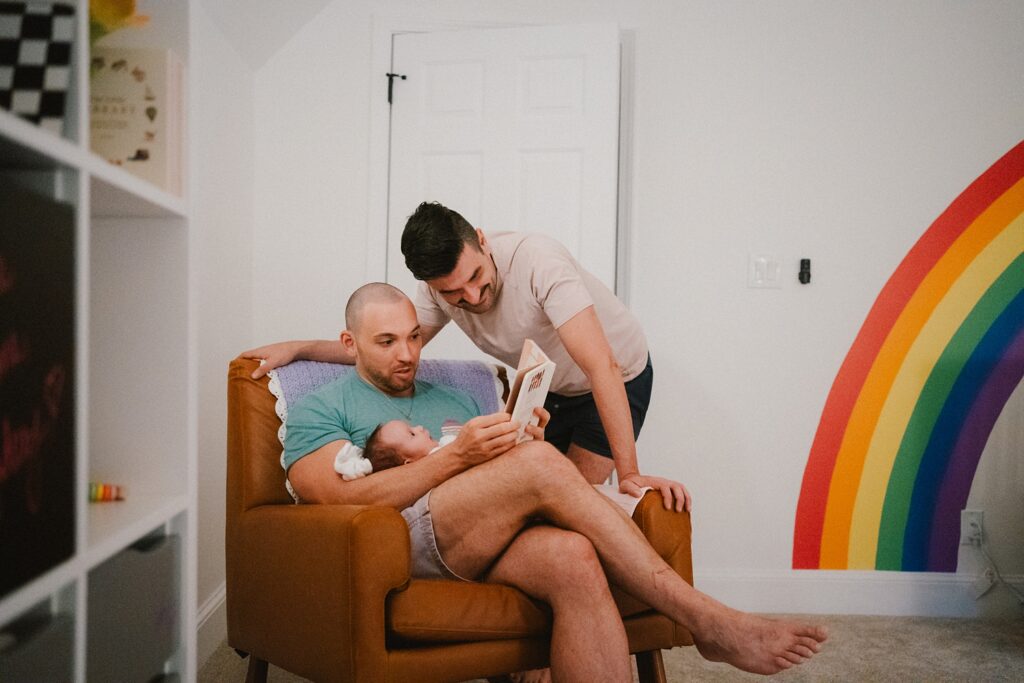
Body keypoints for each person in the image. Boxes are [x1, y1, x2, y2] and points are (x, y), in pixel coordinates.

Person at [281, 282, 827, 681]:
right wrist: (462, 459)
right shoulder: (322, 405)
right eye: (386, 342)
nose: (407, 355)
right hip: (401, 541)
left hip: (483, 532)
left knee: (573, 560)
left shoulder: (456, 396)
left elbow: (508, 480)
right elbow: (333, 496)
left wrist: (527, 438)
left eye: (414, 336)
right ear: (348, 344)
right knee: (540, 468)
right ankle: (707, 619)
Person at [246, 201, 690, 512]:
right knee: (541, 498)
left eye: (476, 276)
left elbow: (601, 366)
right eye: (453, 292)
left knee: (575, 497)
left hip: (616, 376)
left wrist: (630, 474)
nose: (473, 297)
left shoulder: (539, 263)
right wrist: (298, 348)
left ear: (481, 240)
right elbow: (381, 345)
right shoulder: (438, 293)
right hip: (552, 385)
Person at [363, 418, 460, 472]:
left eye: (412, 427)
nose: (420, 427)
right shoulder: (438, 460)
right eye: (412, 434)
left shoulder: (442, 446)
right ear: (409, 464)